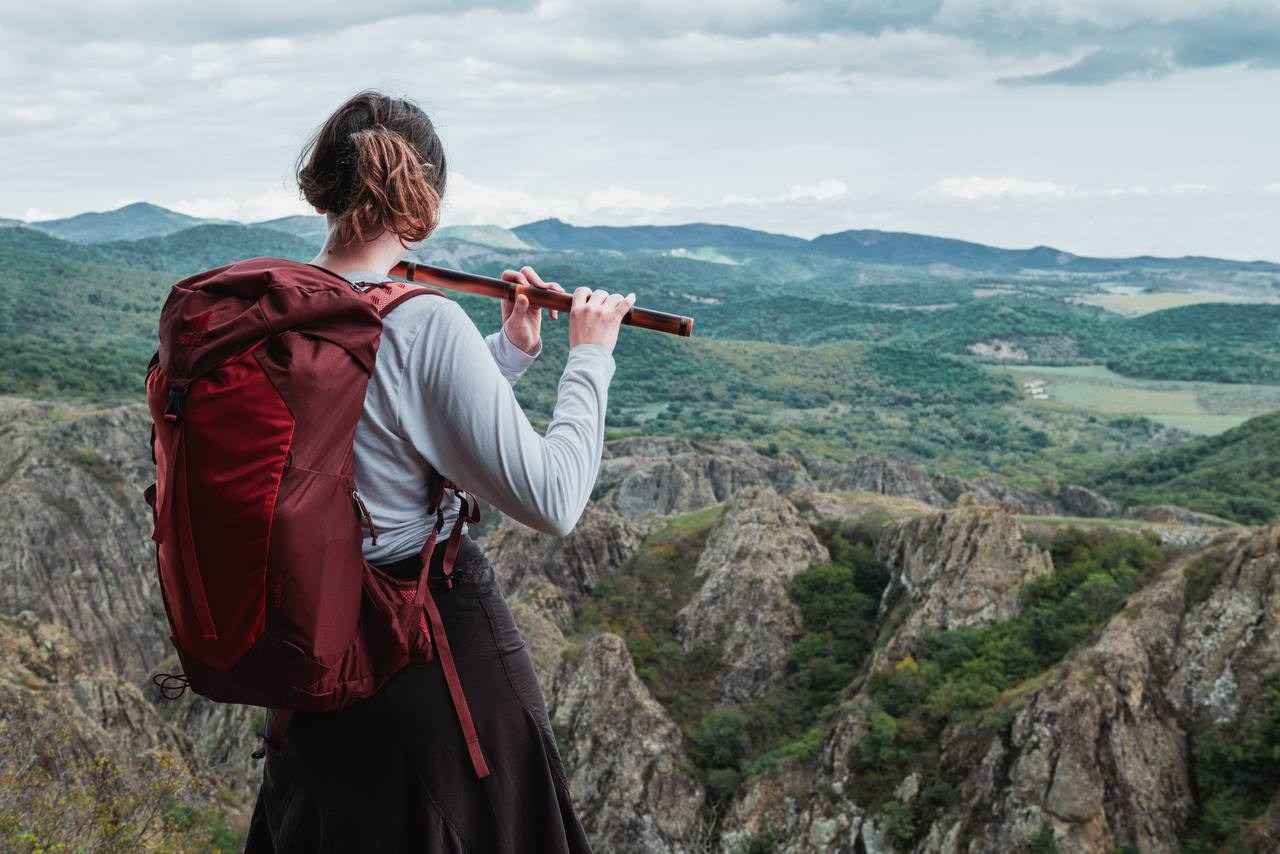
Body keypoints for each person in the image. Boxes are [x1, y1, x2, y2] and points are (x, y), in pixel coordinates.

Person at [245, 90, 633, 853]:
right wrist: (590, 357)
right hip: (420, 656)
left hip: (309, 660)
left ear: (320, 180)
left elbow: (371, 435)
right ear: (423, 193)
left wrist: (509, 356)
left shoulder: (278, 310)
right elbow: (555, 500)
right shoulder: (420, 318)